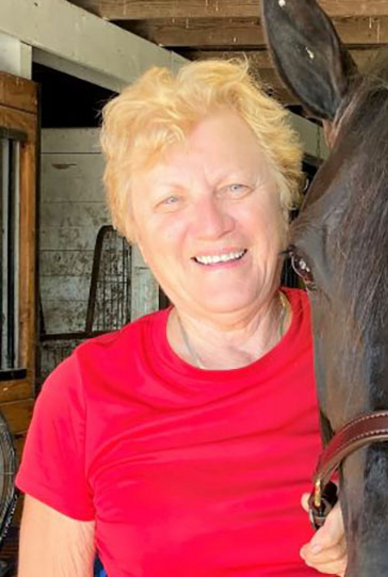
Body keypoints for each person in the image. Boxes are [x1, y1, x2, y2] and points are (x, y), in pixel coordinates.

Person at [16, 60, 346, 576]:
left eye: (235, 187)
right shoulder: (82, 394)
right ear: (134, 230)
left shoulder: (368, 352)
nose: (211, 226)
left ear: (285, 196)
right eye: (171, 200)